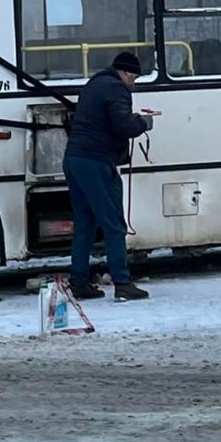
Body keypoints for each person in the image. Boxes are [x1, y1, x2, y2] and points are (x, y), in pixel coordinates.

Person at [64, 50, 155, 302]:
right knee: (114, 225)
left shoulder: (94, 84)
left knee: (84, 224)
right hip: (96, 161)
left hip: (73, 159)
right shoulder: (117, 89)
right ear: (126, 72)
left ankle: (79, 282)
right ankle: (123, 283)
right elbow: (122, 125)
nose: (133, 83)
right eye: (133, 78)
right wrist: (144, 123)